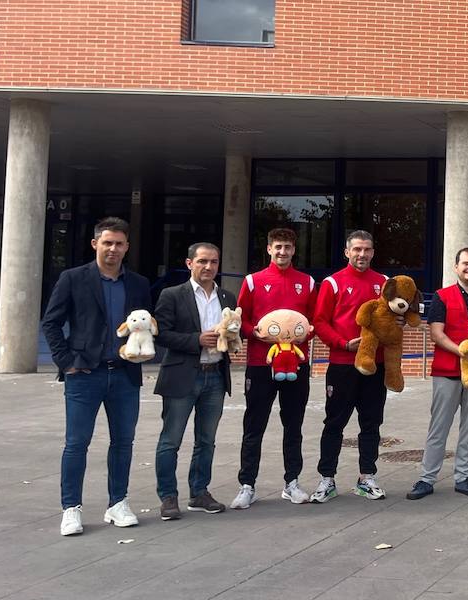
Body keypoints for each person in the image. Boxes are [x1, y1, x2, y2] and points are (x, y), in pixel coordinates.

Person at [41, 216, 152, 537]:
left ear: (127, 246)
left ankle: (118, 503)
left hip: (125, 376)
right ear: (95, 244)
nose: (113, 249)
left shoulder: (138, 284)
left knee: (123, 442)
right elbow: (51, 322)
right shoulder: (73, 278)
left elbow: (142, 325)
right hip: (84, 374)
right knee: (76, 444)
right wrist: (65, 361)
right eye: (107, 243)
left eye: (119, 243)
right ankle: (71, 508)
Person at [232, 227, 317, 509]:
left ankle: (291, 483)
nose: (283, 252)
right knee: (254, 426)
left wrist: (305, 334)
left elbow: (313, 323)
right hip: (260, 364)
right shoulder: (253, 281)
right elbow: (240, 320)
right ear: (269, 249)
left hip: (297, 364)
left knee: (293, 425)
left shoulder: (306, 282)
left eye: (288, 247)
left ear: (294, 250)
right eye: (278, 247)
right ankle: (247, 485)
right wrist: (254, 332)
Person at [408, 247, 468, 499]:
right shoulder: (441, 296)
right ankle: (426, 479)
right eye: (466, 264)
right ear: (456, 267)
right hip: (446, 371)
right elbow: (437, 333)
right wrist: (464, 353)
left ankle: (463, 476)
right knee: (439, 427)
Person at [152, 242, 236, 520]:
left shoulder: (227, 297)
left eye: (213, 262)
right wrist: (195, 340)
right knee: (170, 440)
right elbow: (161, 333)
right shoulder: (172, 294)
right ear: (189, 264)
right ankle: (168, 496)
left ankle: (199, 492)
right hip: (182, 375)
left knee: (207, 440)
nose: (208, 267)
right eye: (202, 261)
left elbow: (233, 332)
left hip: (215, 377)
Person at [310, 230, 389, 502]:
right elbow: (320, 322)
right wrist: (343, 344)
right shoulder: (333, 283)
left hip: (375, 367)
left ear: (373, 252)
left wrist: (399, 325)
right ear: (347, 252)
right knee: (334, 422)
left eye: (367, 249)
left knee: (371, 423)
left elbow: (394, 319)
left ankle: (366, 477)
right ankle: (327, 479)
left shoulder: (384, 283)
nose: (362, 254)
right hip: (342, 365)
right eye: (357, 249)